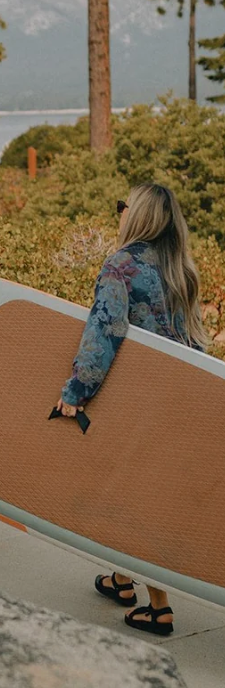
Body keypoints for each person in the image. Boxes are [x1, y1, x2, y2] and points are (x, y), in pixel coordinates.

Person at [56, 183, 208, 636]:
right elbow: (196, 339)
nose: (119, 213)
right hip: (178, 394)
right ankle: (122, 578)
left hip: (138, 397)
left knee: (135, 495)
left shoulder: (123, 264)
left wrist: (76, 391)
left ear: (137, 215)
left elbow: (104, 332)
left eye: (123, 206)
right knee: (138, 484)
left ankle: (159, 607)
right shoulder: (180, 266)